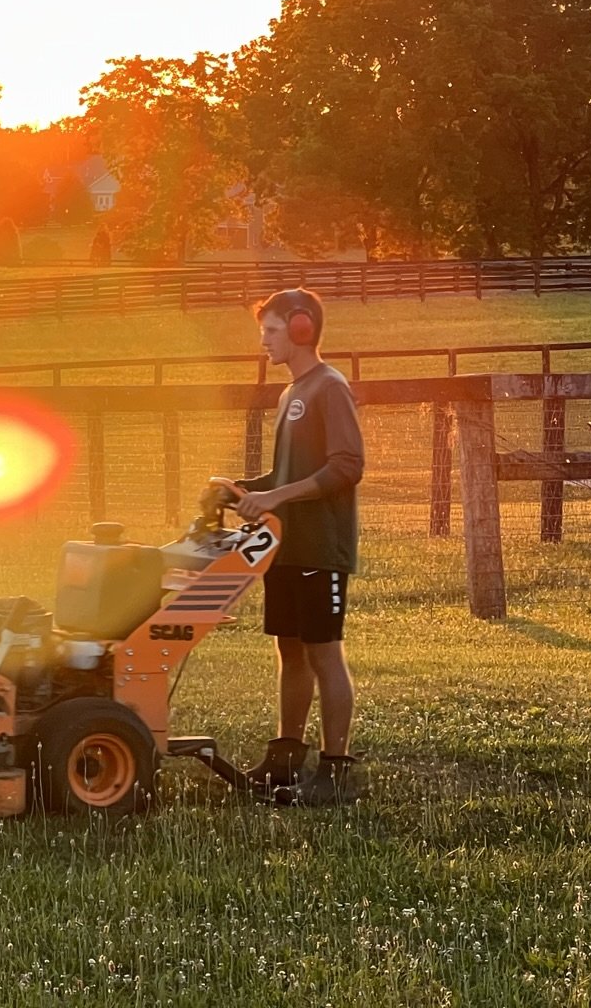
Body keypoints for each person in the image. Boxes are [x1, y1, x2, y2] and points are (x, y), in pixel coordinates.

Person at [212, 287, 367, 806]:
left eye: (272, 331)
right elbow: (286, 475)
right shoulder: (291, 392)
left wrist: (277, 493)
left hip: (320, 545)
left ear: (302, 329)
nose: (265, 342)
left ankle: (336, 769)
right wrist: (243, 488)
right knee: (289, 650)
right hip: (287, 546)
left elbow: (347, 466)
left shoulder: (329, 387)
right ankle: (284, 760)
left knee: (325, 655)